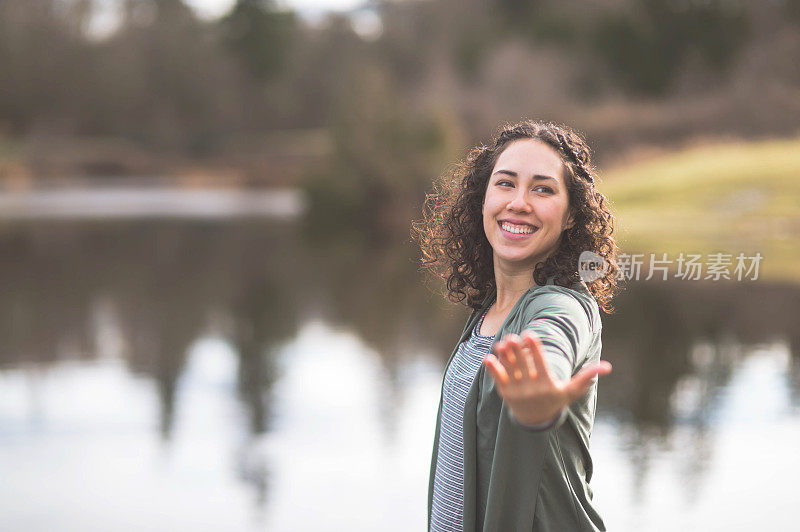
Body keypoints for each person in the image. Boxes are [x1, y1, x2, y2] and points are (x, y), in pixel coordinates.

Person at [412, 119, 620, 531]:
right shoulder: (488, 312)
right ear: (482, 199)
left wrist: (543, 392)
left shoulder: (562, 304)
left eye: (543, 189)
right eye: (505, 183)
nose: (519, 202)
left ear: (572, 215)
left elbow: (551, 341)